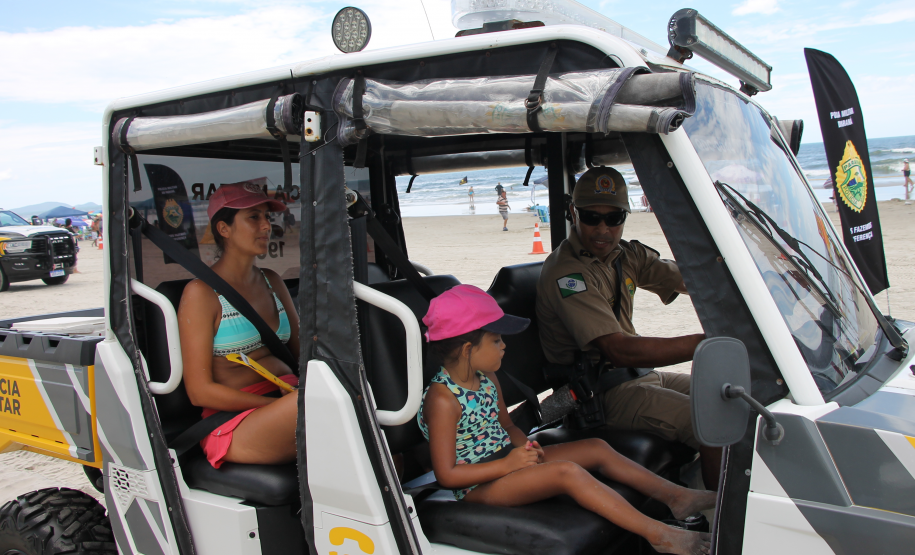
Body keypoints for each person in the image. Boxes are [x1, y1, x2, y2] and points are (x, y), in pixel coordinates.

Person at [418, 285, 713, 555]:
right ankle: (657, 534)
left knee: (596, 447)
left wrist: (526, 447)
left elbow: (506, 426)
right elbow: (447, 475)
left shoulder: (487, 378)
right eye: (496, 340)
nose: (504, 346)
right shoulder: (442, 399)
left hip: (507, 459)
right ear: (468, 350)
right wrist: (508, 465)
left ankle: (677, 497)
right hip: (476, 485)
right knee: (567, 472)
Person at [536, 167, 721, 490]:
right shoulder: (568, 275)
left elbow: (685, 279)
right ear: (572, 213)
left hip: (641, 375)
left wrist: (735, 286)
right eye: (591, 217)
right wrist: (708, 344)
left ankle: (706, 486)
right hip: (602, 392)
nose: (603, 229)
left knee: (728, 397)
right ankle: (721, 519)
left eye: (615, 218)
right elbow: (617, 350)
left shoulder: (624, 256)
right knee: (714, 421)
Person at [177, 183, 300, 468]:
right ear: (224, 229)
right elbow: (200, 391)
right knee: (320, 406)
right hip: (238, 421)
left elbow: (302, 353)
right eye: (254, 217)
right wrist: (275, 406)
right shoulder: (202, 293)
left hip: (289, 402)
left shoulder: (273, 280)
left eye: (267, 218)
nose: (266, 226)